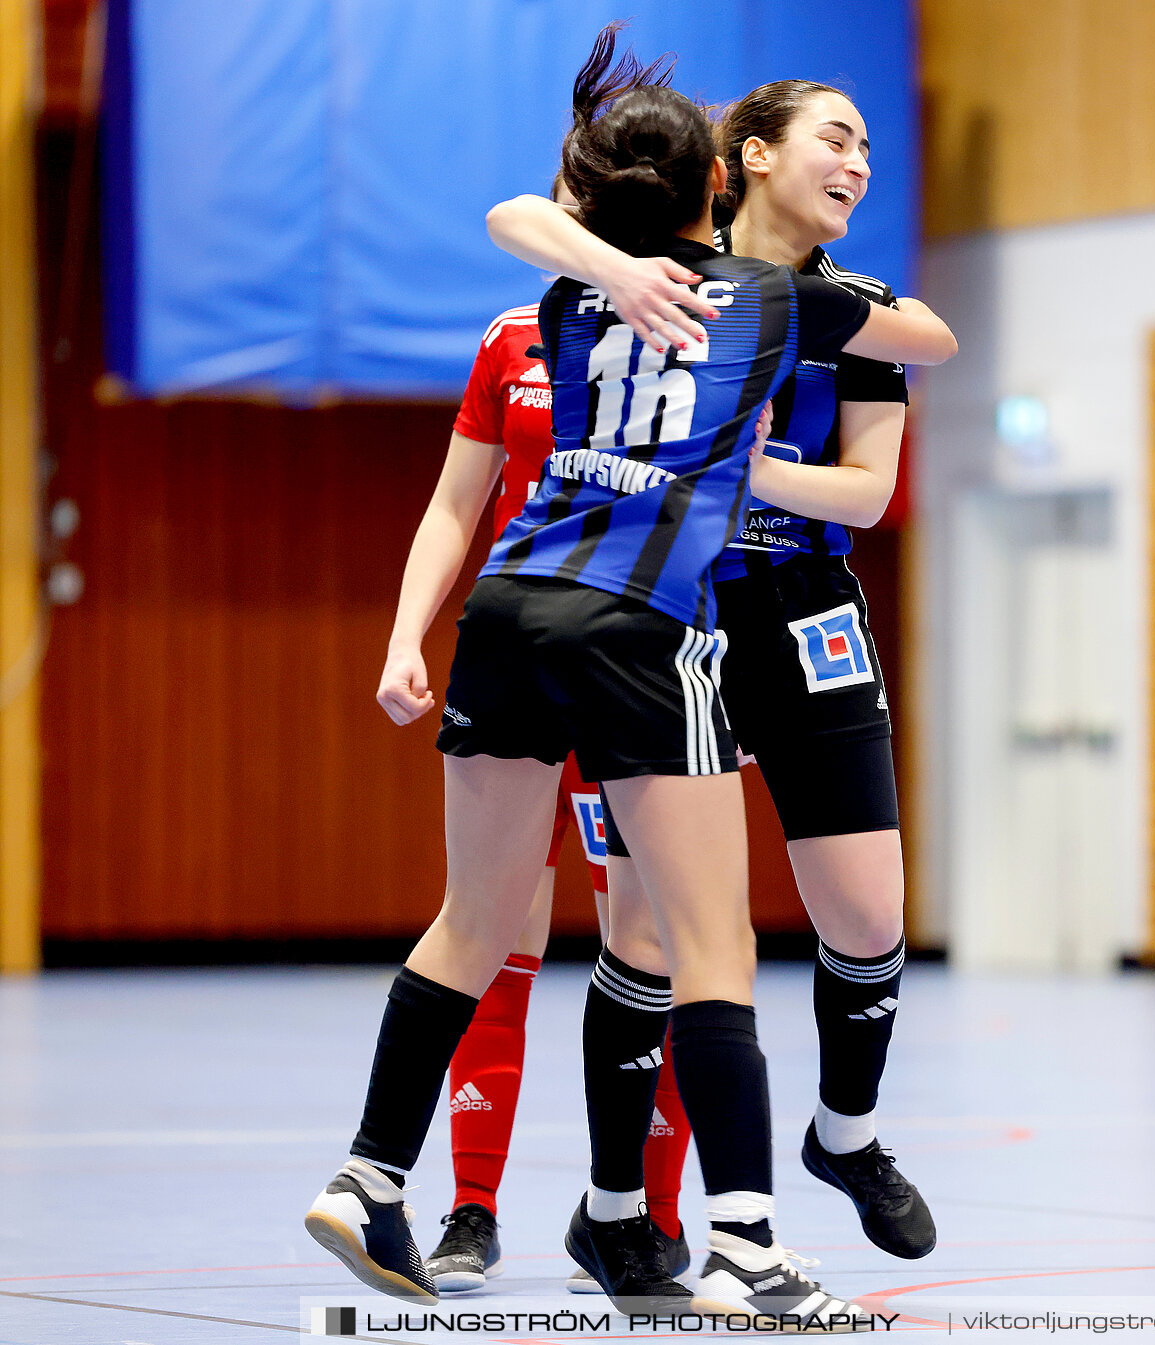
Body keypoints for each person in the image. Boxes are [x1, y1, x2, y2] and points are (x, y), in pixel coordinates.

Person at [303, 27, 955, 1321]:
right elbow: (926, 337)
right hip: (642, 631)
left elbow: (517, 217)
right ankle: (747, 1244)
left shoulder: (559, 301)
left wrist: (605, 255)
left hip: (508, 612)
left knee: (470, 924)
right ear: (724, 183)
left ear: (588, 198)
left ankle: (370, 1172)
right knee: (712, 947)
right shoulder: (773, 303)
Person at [486, 76, 934, 1268]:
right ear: (751, 157)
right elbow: (526, 222)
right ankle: (613, 1205)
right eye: (837, 139)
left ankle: (847, 1133)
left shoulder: (852, 315)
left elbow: (872, 492)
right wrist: (621, 270)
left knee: (869, 911)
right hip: (668, 611)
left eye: (870, 147)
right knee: (645, 927)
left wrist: (739, 468)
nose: (859, 163)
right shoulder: (670, 272)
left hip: (805, 611)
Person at [373, 234, 699, 1292]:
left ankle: (641, 1212)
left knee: (652, 945)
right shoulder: (514, 337)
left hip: (632, 660)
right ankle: (471, 1208)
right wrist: (404, 636)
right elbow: (454, 501)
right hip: (519, 662)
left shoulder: (699, 335)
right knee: (495, 930)